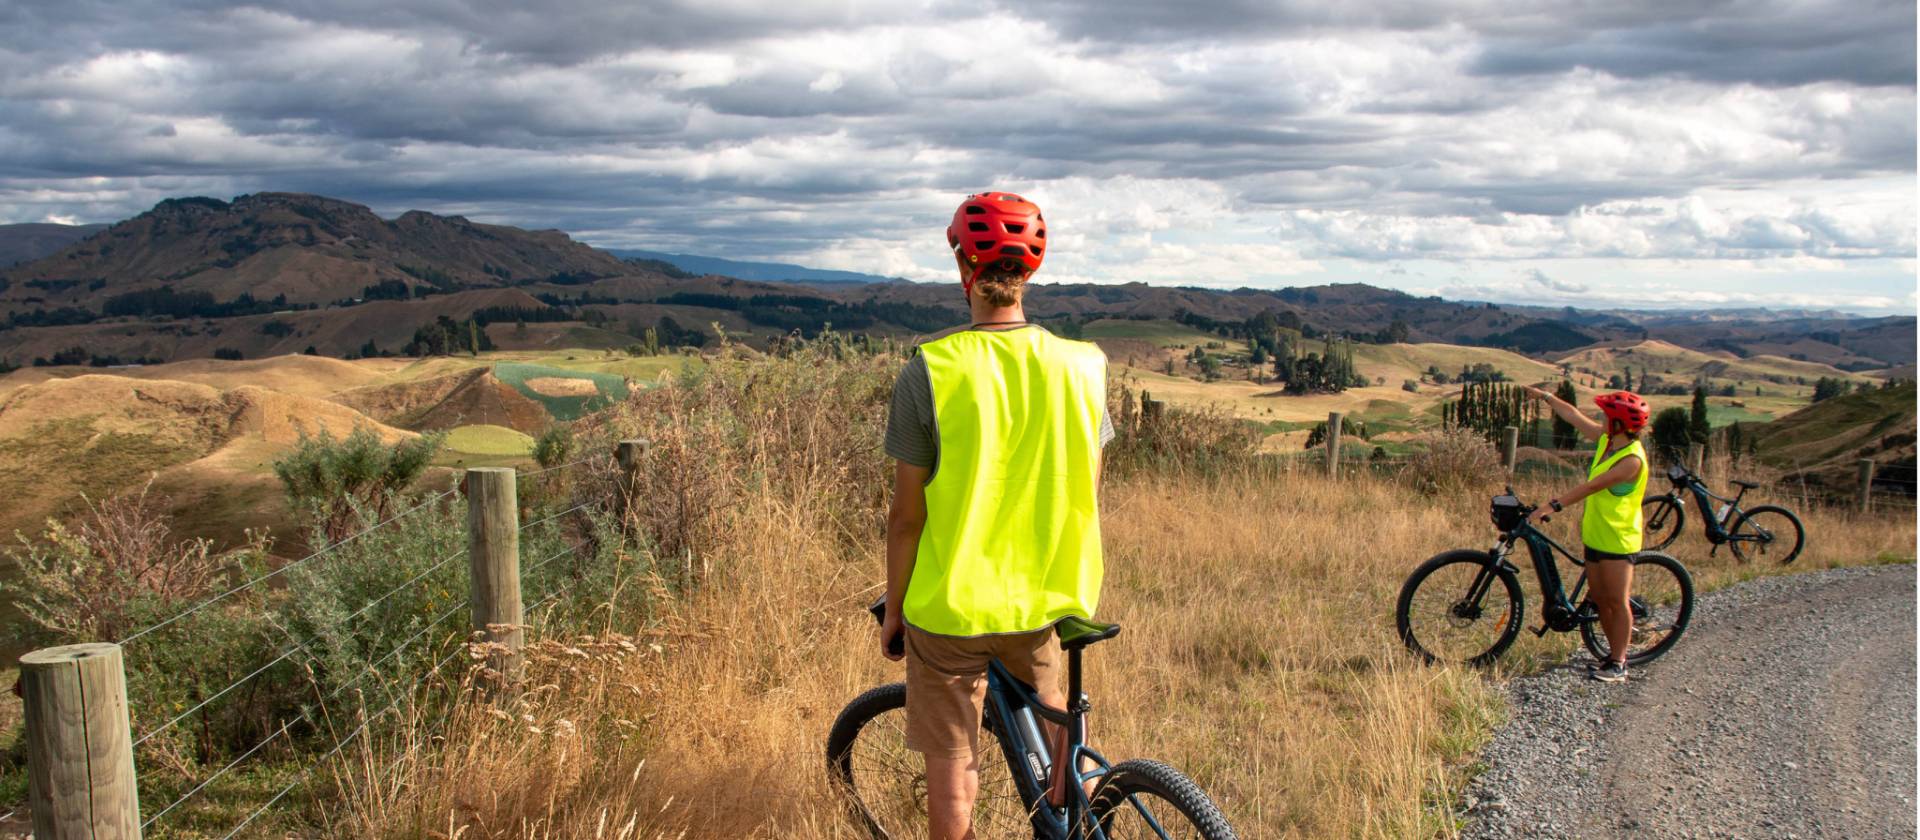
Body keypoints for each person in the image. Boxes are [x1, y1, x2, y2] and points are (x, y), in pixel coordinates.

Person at [879, 191, 1113, 839]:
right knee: (1055, 711)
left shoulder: (932, 369)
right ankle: (1073, 815)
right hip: (1045, 595)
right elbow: (1085, 488)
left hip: (951, 606)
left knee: (953, 767)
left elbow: (906, 517)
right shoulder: (1083, 368)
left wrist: (897, 610)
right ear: (1030, 271)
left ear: (964, 267)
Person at [1521, 384, 1651, 683]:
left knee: (1616, 601)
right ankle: (1609, 654)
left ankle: (1619, 662)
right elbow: (1574, 416)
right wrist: (1545, 397)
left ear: (1620, 424)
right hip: (1596, 534)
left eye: (1606, 415)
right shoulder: (1608, 441)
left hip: (1619, 539)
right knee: (1600, 600)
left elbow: (1593, 486)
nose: (1600, 418)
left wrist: (1553, 505)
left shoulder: (1631, 460)